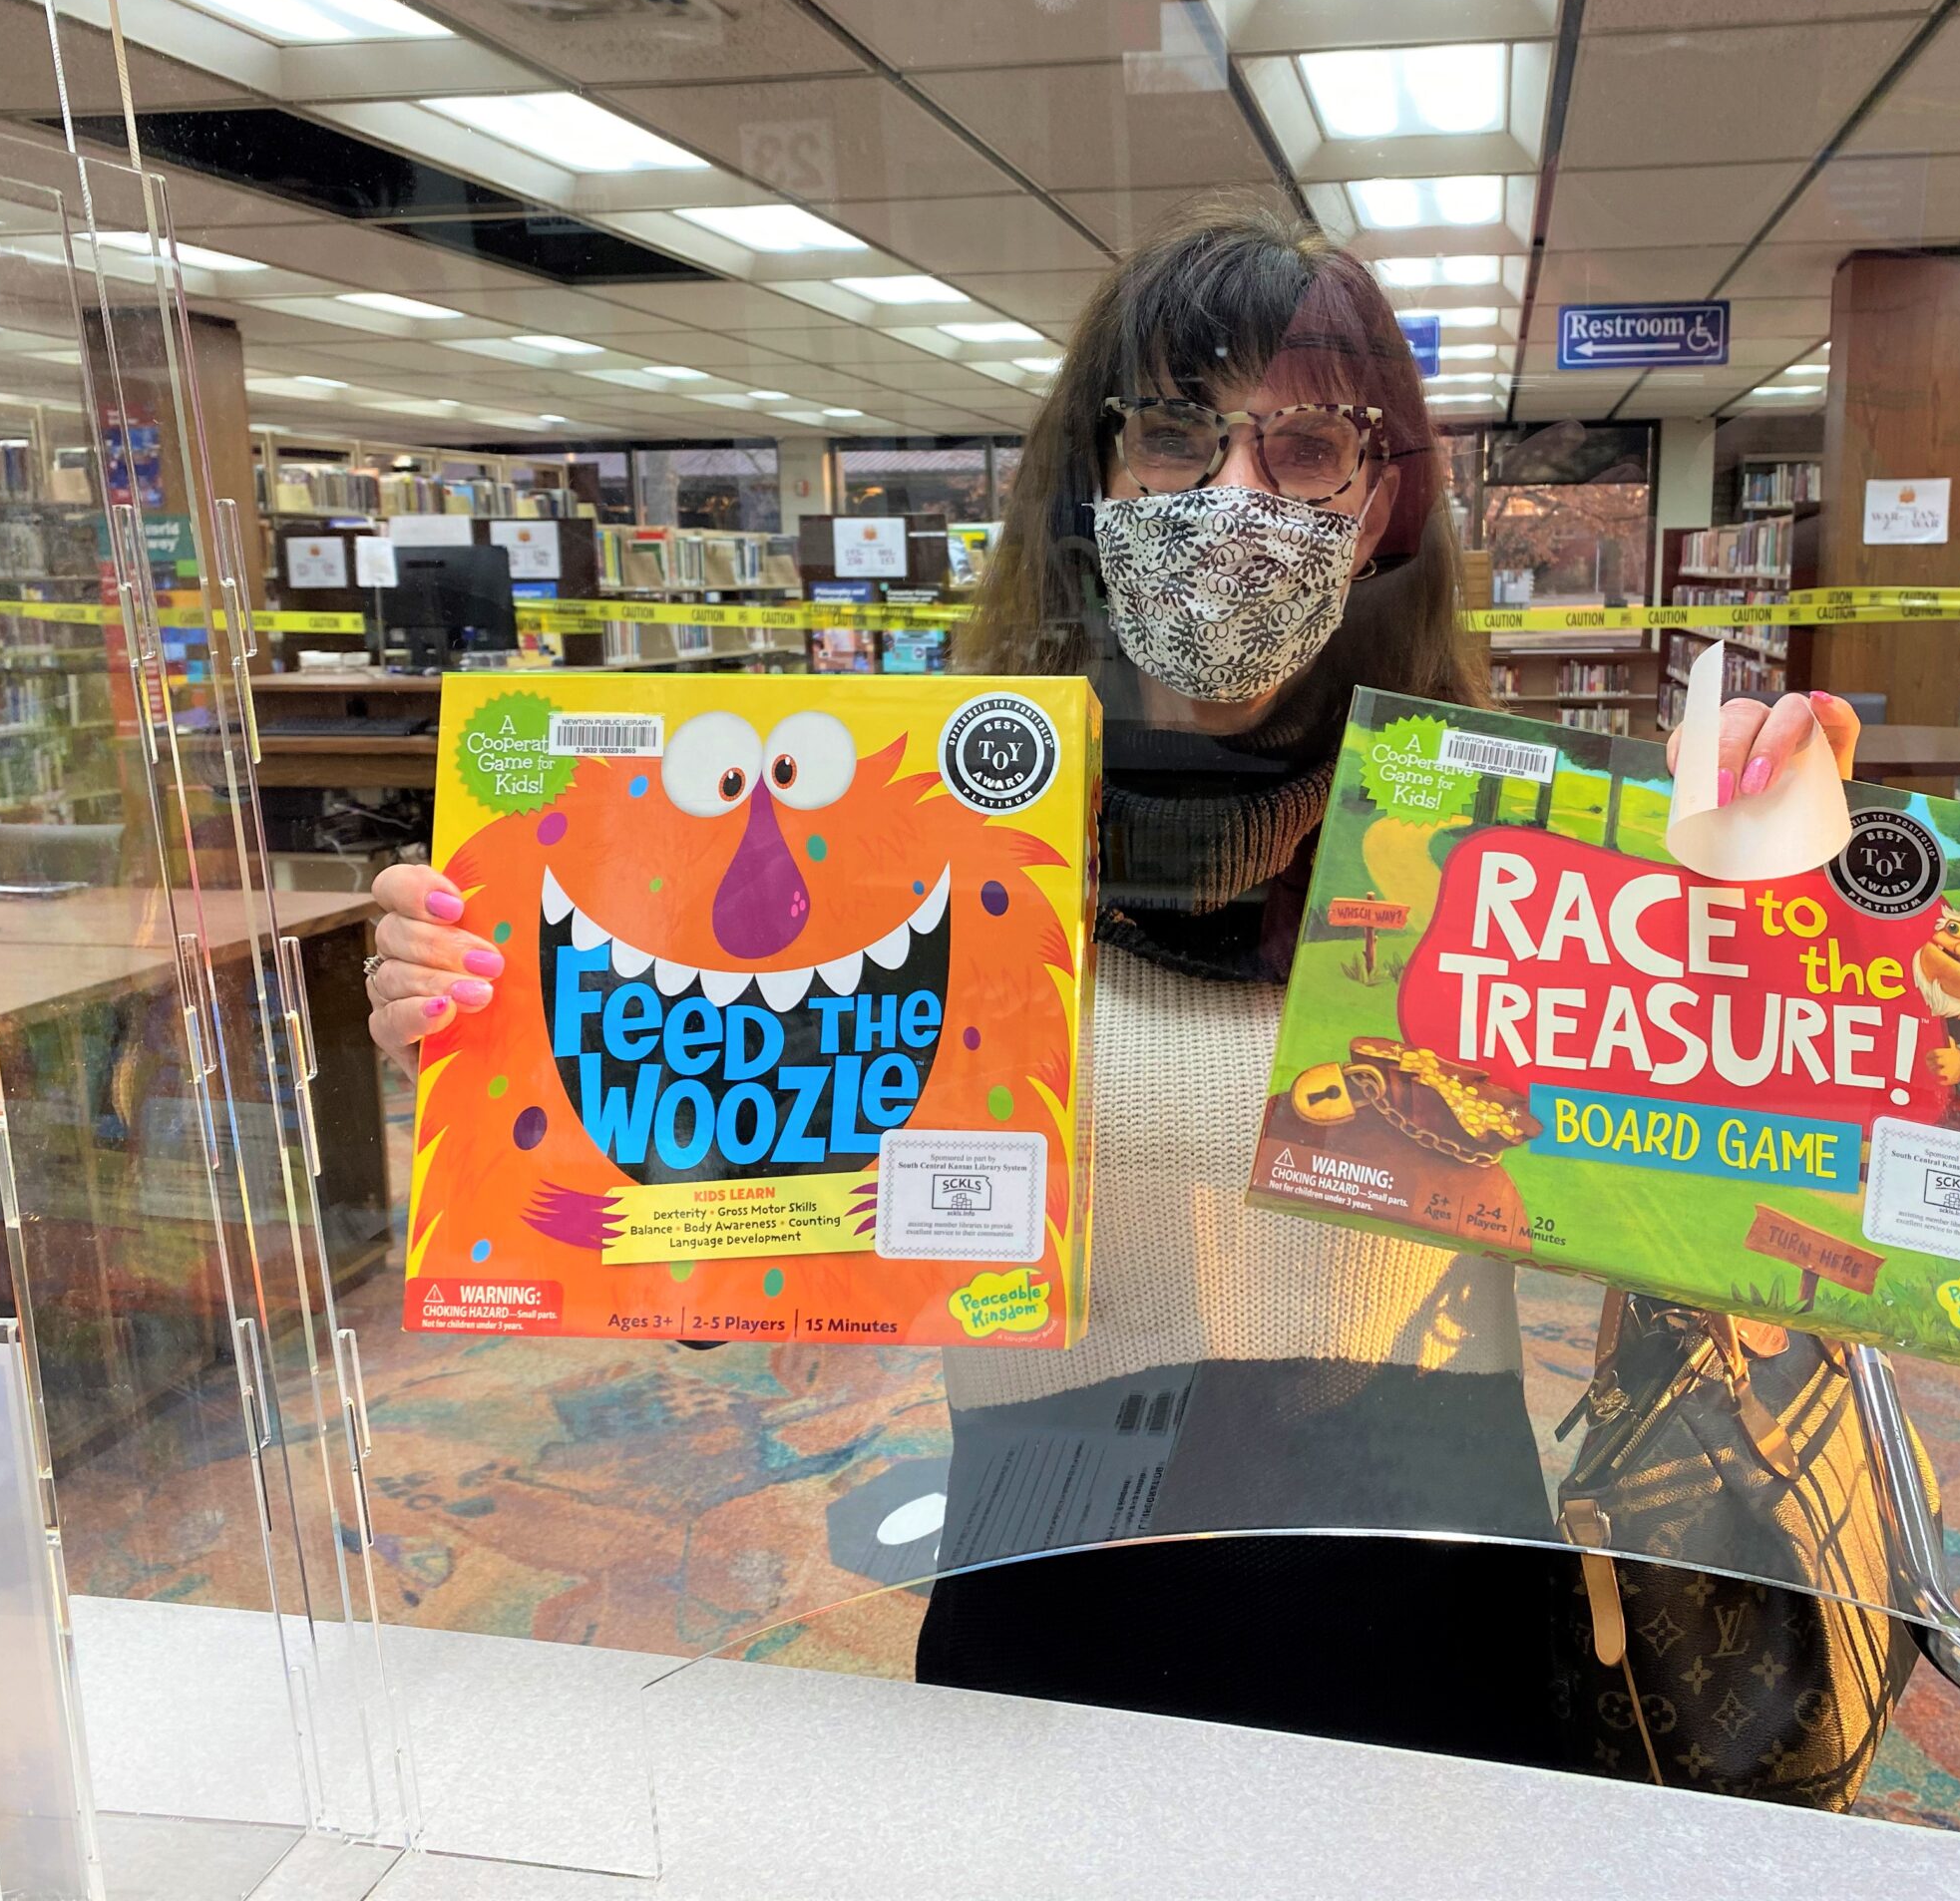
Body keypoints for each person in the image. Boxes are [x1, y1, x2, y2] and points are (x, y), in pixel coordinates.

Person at [361, 196, 1859, 1768]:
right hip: (1059, 1575)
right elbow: (724, 1262)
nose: (1232, 496)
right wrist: (518, 1036)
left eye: (1304, 450)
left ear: (1381, 505)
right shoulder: (908, 835)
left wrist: (1791, 926)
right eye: (1177, 432)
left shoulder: (1491, 854)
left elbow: (1734, 1220)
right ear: (1093, 472)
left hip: (1427, 1589)